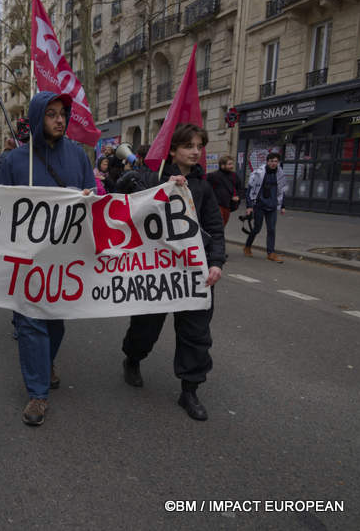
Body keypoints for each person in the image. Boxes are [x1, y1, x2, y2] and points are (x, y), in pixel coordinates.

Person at [0, 91, 94, 427]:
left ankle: (45, 362)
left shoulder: (78, 156)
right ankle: (37, 394)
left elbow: (97, 201)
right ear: (38, 118)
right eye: (51, 114)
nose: (60, 120)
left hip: (65, 259)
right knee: (30, 322)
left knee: (56, 323)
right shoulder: (13, 161)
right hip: (26, 258)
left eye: (63, 113)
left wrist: (88, 199)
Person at [120, 123, 225, 421]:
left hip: (192, 273)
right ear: (174, 150)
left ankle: (189, 390)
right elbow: (125, 211)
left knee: (196, 334)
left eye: (199, 146)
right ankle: (133, 357)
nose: (195, 151)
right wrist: (139, 186)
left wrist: (216, 262)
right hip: (157, 272)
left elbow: (215, 230)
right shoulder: (152, 179)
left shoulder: (203, 188)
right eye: (189, 146)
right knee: (145, 327)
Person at [243, 152, 286, 262]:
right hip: (259, 205)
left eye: (276, 161)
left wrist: (282, 206)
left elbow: (281, 191)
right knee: (257, 228)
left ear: (278, 162)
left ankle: (271, 253)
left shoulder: (280, 175)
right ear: (267, 162)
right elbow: (250, 191)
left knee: (271, 230)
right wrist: (249, 206)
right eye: (271, 161)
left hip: (272, 206)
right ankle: (247, 246)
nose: (273, 163)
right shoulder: (258, 173)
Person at [207, 155, 243, 227]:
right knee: (218, 226)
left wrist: (238, 196)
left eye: (232, 164)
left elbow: (240, 188)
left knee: (223, 226)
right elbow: (204, 186)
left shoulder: (234, 176)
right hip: (217, 206)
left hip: (228, 206)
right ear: (222, 165)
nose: (232, 166)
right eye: (229, 164)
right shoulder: (214, 175)